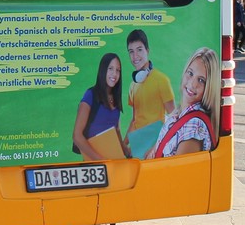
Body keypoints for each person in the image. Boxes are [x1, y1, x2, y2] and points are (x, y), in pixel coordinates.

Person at [146, 47, 221, 159]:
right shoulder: (178, 115)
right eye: (190, 73)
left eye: (201, 80)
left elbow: (178, 173)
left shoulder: (193, 125)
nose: (192, 84)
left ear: (209, 87)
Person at [123, 29, 176, 158]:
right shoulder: (133, 85)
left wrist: (157, 146)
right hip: (139, 145)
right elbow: (135, 120)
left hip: (156, 146)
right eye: (131, 52)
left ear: (147, 50)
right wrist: (124, 144)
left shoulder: (161, 80)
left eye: (139, 50)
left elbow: (174, 119)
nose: (135, 56)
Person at [72, 52, 130, 159]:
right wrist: (100, 160)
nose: (115, 74)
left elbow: (116, 131)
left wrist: (127, 151)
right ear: (103, 70)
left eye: (118, 70)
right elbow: (77, 136)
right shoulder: (90, 95)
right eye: (110, 69)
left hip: (114, 161)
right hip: (95, 165)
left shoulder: (116, 98)